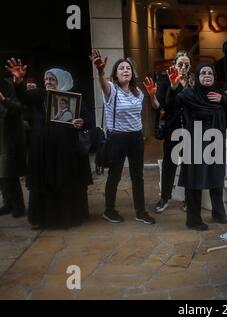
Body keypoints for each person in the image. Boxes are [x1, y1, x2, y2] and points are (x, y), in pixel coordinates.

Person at [5, 59, 93, 228]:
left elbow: (88, 120)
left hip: (65, 152)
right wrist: (18, 82)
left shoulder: (72, 99)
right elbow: (23, 97)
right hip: (42, 151)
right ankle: (45, 219)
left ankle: (66, 218)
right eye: (46, 80)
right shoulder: (40, 95)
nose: (48, 83)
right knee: (44, 183)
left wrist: (81, 122)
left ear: (61, 80)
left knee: (63, 182)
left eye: (52, 79)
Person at [172, 62, 227, 231]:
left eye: (210, 73)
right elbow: (171, 104)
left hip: (216, 143)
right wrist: (173, 87)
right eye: (203, 73)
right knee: (195, 182)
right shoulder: (189, 94)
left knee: (216, 180)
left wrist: (222, 99)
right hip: (195, 144)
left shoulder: (219, 93)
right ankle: (193, 219)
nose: (207, 75)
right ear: (197, 76)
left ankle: (218, 213)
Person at [90, 50, 155, 225]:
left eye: (128, 68)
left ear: (132, 73)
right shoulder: (111, 90)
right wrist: (100, 72)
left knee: (137, 176)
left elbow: (138, 115)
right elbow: (102, 84)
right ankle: (109, 210)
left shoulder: (138, 92)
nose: (125, 70)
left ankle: (140, 212)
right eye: (121, 68)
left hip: (136, 138)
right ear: (115, 74)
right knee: (115, 176)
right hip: (117, 139)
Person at [144, 51, 193, 213]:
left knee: (189, 164)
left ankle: (188, 199)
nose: (184, 67)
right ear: (174, 65)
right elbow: (160, 105)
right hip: (173, 128)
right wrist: (154, 95)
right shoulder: (166, 81)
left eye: (186, 65)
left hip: (192, 129)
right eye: (180, 64)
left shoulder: (194, 81)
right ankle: (165, 197)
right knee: (169, 164)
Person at [0, 72, 26, 218]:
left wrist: (3, 100)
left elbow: (17, 107)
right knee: (1, 173)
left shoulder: (7, 85)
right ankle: (8, 202)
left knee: (9, 171)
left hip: (7, 134)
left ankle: (18, 205)